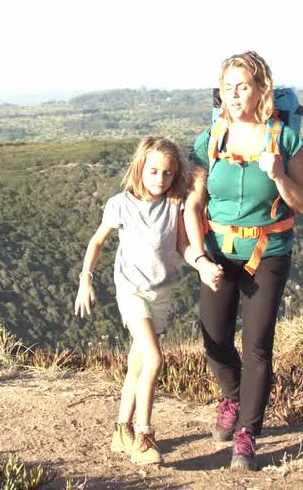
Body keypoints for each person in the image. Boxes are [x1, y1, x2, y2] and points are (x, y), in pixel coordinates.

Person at [185, 51, 303, 471]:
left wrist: (278, 175)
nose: (234, 95)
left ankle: (247, 433)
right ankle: (232, 396)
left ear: (261, 89)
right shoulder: (210, 139)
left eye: (243, 86)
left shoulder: (286, 139)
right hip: (219, 250)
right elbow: (194, 199)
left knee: (258, 344)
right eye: (227, 87)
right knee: (214, 336)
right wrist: (199, 256)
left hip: (268, 252)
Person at [74, 137, 192, 465]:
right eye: (153, 171)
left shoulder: (175, 203)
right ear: (139, 168)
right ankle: (143, 435)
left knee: (137, 366)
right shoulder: (120, 204)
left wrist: (203, 263)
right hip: (131, 291)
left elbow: (183, 246)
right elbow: (97, 242)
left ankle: (120, 431)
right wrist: (86, 278)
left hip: (162, 294)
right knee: (154, 359)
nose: (160, 179)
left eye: (168, 173)